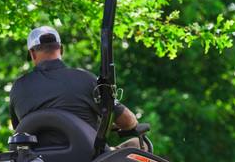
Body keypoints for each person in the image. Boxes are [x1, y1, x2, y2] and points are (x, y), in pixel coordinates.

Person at [9, 25, 141, 148]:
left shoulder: (18, 88)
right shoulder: (86, 79)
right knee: (138, 144)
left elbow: (19, 130)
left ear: (32, 53)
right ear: (61, 49)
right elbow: (128, 122)